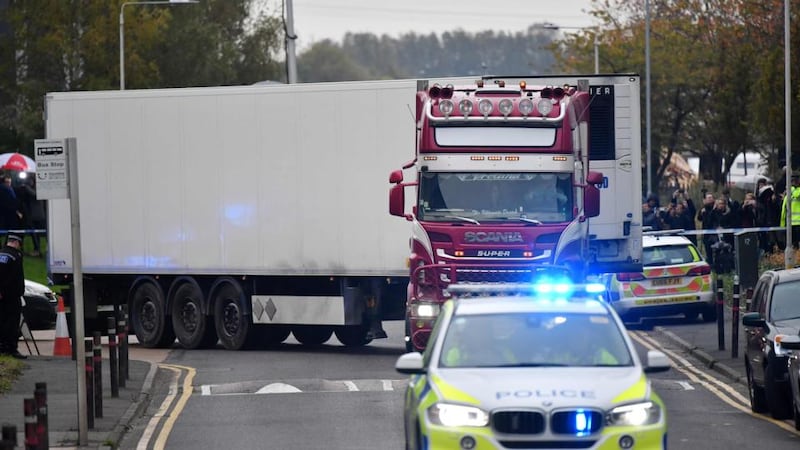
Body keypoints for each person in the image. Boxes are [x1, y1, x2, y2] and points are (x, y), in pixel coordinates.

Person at [0, 234, 27, 359]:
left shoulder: (1, 253)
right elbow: (15, 277)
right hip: (12, 295)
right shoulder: (16, 256)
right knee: (12, 323)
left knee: (2, 321)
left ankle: (2, 347)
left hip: (2, 296)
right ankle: (12, 348)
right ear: (17, 243)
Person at [780, 172, 800, 249]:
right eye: (791, 180)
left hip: (798, 222)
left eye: (795, 180)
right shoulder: (788, 193)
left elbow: (797, 195)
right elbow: (784, 209)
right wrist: (782, 224)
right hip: (790, 223)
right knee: (793, 245)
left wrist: (790, 189)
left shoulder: (794, 191)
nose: (793, 182)